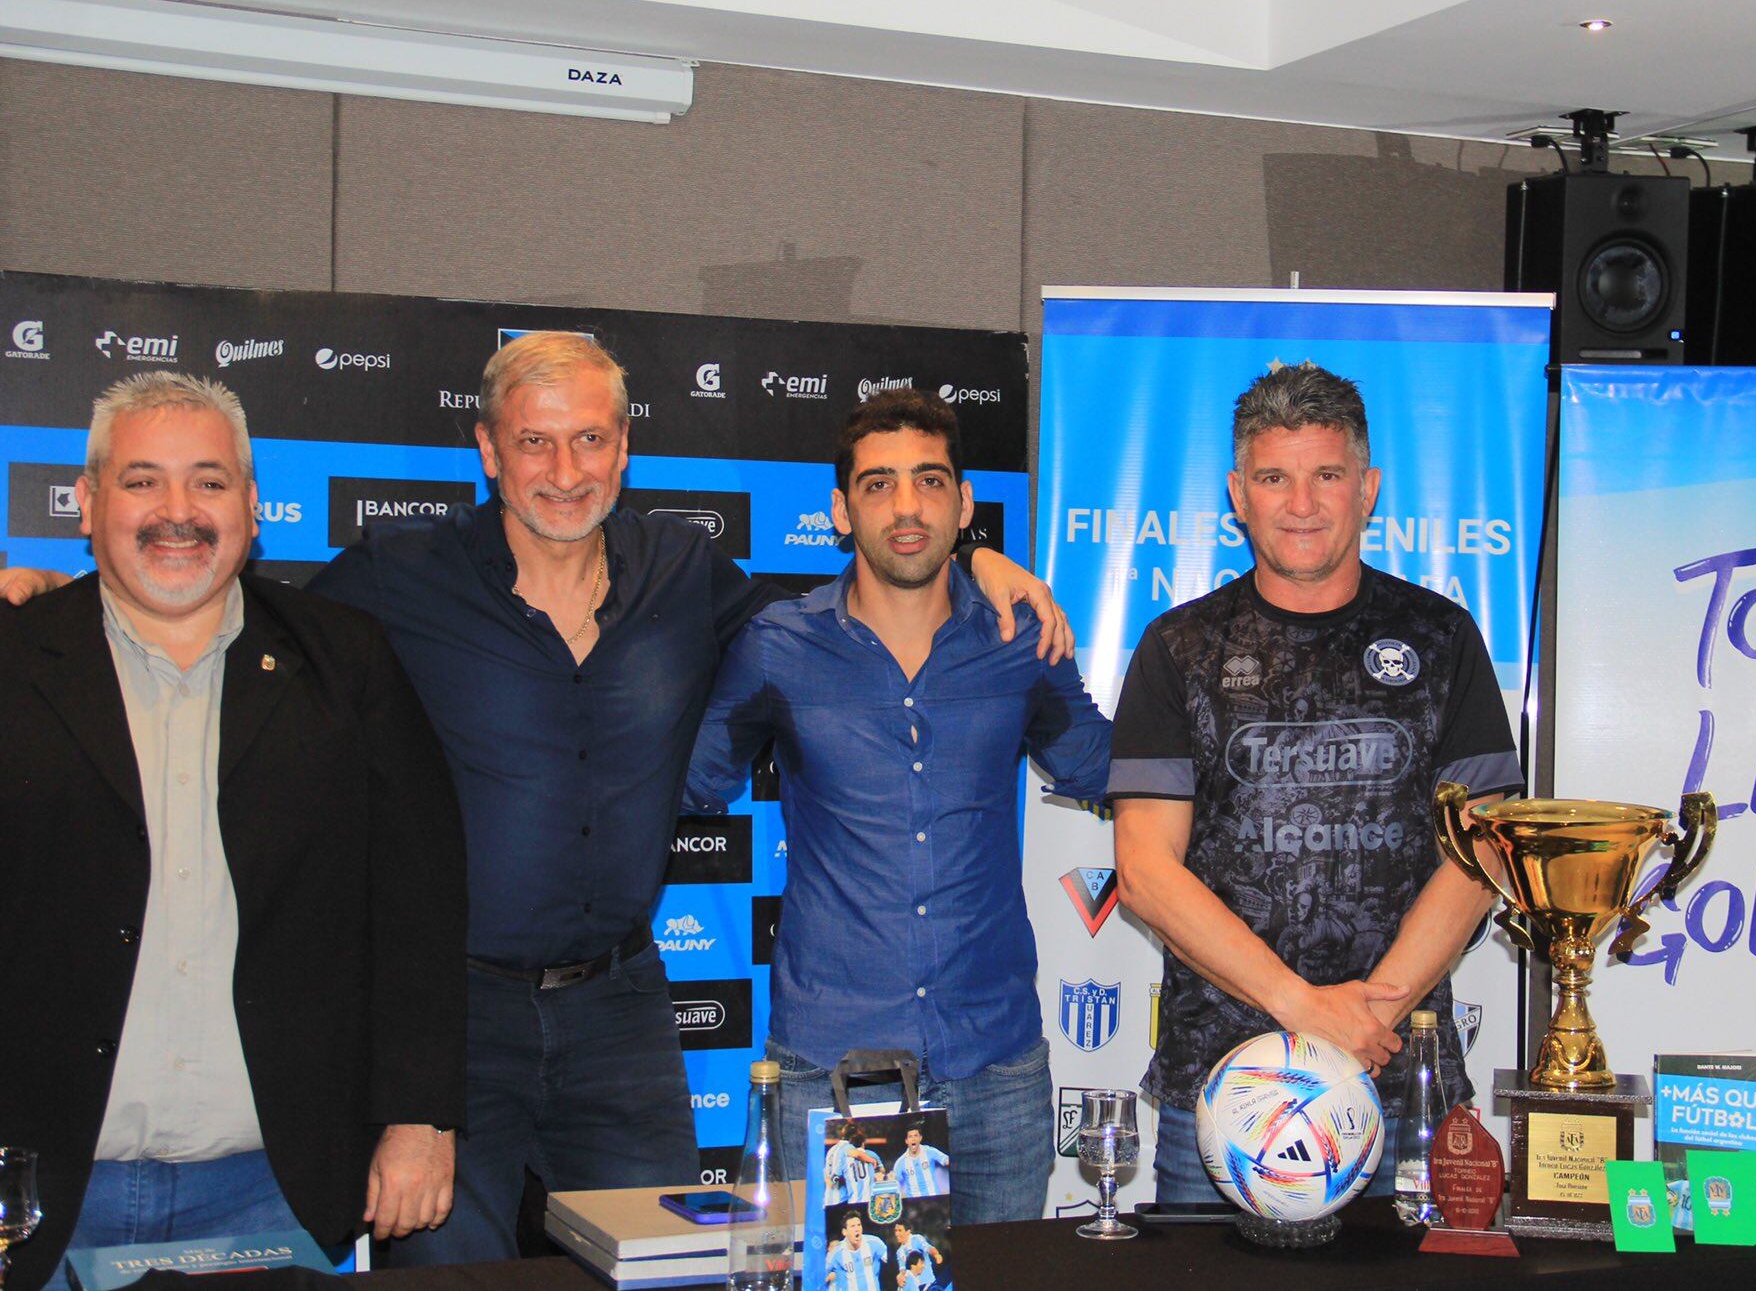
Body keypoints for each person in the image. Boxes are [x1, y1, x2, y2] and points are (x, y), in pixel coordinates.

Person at [0, 333, 1070, 1266]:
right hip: (454, 1015)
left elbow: (850, 606)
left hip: (619, 1004)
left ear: (623, 449)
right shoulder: (399, 574)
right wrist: (58, 589)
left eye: (591, 439)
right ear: (487, 451)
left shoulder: (684, 570)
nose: (566, 469)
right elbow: (224, 599)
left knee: (666, 1263)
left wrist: (977, 561)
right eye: (535, 441)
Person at [0, 374, 466, 1291]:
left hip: (273, 1188)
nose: (178, 511)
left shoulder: (348, 659)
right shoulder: (13, 660)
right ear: (88, 504)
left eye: (209, 482)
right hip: (35, 1183)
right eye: (141, 481)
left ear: (253, 507)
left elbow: (418, 898)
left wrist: (419, 1117)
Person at [685, 389, 1111, 1224]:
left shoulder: (1020, 643)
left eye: (929, 482)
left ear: (965, 506)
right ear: (841, 512)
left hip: (997, 1068)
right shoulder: (779, 646)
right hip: (832, 1064)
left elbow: (1107, 770)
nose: (907, 507)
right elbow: (693, 782)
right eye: (879, 486)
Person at [1109, 364, 1522, 1202]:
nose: (1302, 503)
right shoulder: (1178, 648)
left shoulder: (1441, 639)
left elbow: (1484, 846)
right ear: (1238, 493)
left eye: (1327, 474)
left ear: (1367, 488)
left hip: (1398, 1076)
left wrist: (1372, 1013)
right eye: (1274, 477)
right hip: (1222, 1091)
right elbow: (1148, 873)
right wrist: (1303, 1006)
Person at [823, 1214, 888, 1291]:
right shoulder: (835, 1253)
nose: (857, 1229)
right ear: (844, 1232)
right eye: (853, 1226)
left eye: (859, 1225)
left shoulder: (875, 1243)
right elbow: (821, 1277)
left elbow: (892, 1260)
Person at [824, 1124, 882, 1205]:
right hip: (841, 1198)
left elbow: (829, 1177)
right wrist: (871, 1160)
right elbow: (855, 1153)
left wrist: (830, 1180)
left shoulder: (832, 1150)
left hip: (829, 1197)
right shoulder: (847, 1148)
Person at [889, 1127, 950, 1198]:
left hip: (934, 1198)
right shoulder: (900, 1162)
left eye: (916, 1135)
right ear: (906, 1141)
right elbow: (894, 1181)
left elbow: (946, 1160)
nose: (913, 1139)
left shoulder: (930, 1151)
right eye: (910, 1136)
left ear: (920, 1138)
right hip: (914, 1203)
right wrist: (891, 1178)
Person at [891, 1223, 943, 1288]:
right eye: (895, 1231)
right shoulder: (899, 1252)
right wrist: (900, 1276)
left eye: (900, 1230)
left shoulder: (917, 1239)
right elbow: (902, 1270)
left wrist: (936, 1254)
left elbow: (928, 1248)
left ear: (908, 1231)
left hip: (928, 1283)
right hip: (915, 1287)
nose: (896, 1234)